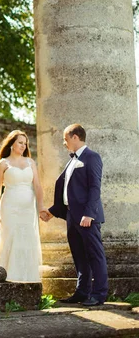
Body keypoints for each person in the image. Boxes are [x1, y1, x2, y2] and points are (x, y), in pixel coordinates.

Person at [40, 123, 108, 305]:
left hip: (87, 217)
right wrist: (52, 212)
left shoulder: (92, 157)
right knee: (79, 255)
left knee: (95, 254)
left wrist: (89, 214)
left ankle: (99, 294)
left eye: (66, 139)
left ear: (75, 137)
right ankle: (82, 292)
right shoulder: (72, 161)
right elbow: (69, 193)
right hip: (72, 216)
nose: (64, 143)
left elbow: (95, 188)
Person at [0, 130, 44, 282]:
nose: (23, 146)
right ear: (11, 143)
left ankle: (26, 277)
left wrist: (41, 207)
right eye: (20, 142)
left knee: (26, 238)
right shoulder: (3, 164)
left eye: (25, 144)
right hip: (9, 207)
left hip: (27, 209)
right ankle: (5, 276)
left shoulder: (31, 162)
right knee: (9, 237)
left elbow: (37, 186)